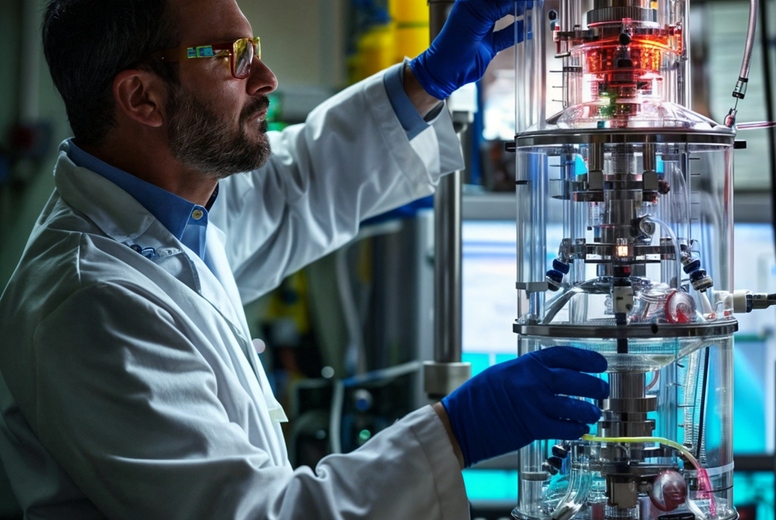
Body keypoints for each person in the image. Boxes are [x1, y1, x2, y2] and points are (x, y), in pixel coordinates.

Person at [0, 0, 610, 518]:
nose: (265, 77)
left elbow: (297, 188)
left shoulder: (173, 215)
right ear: (141, 97)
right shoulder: (92, 304)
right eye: (230, 57)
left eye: (253, 47)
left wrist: (428, 78)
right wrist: (456, 431)